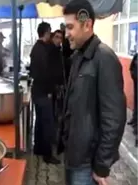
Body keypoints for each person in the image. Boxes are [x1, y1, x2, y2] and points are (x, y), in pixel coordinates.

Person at [60, 0, 126, 184]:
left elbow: (114, 118)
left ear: (87, 24)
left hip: (88, 163)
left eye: (70, 27)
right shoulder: (79, 56)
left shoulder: (104, 58)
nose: (66, 35)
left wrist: (102, 166)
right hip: (74, 155)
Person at [29, 22, 60, 164]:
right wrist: (49, 91)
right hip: (43, 91)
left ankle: (38, 148)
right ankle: (47, 154)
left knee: (40, 121)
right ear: (46, 33)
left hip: (37, 89)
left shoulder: (37, 48)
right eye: (50, 32)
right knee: (47, 122)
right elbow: (44, 73)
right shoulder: (42, 50)